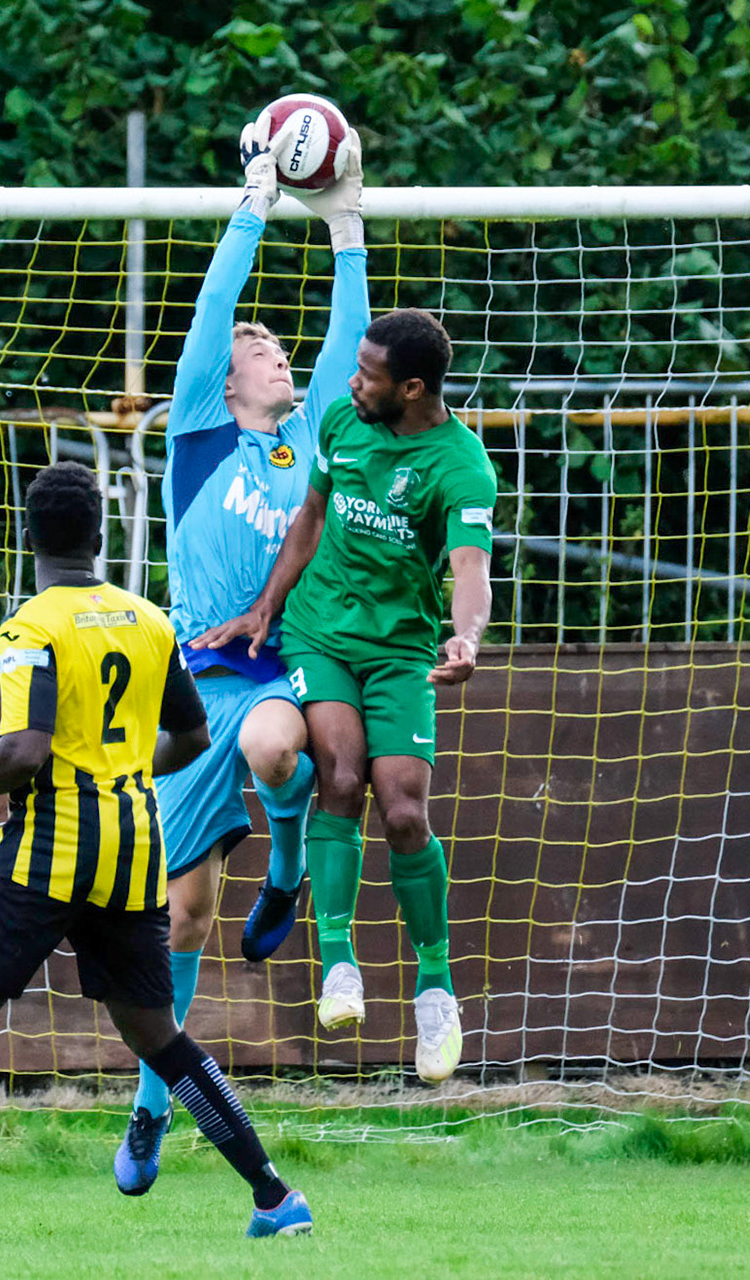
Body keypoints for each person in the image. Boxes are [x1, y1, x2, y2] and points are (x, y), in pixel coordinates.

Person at [0, 462, 313, 1246]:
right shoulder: (149, 621)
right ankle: (275, 1197)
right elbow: (193, 736)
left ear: (28, 536)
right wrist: (119, 768)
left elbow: (26, 750)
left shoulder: (30, 628)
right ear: (98, 536)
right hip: (134, 846)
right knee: (158, 1034)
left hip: (53, 846)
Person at [115, 109, 370, 1194]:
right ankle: (149, 1107)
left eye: (276, 346)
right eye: (259, 349)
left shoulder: (309, 438)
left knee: (280, 748)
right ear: (225, 379)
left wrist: (346, 226)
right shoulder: (199, 439)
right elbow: (213, 314)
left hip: (275, 676)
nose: (274, 352)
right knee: (181, 915)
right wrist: (254, 209)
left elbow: (349, 341)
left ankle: (288, 867)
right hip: (192, 693)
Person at [195, 308, 496, 1084]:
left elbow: (470, 568)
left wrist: (466, 638)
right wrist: (266, 605)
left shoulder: (461, 465)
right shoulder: (341, 423)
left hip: (400, 650)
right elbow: (312, 516)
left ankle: (437, 989)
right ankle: (338, 964)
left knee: (403, 810)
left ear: (413, 388)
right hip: (320, 633)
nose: (352, 382)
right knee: (339, 776)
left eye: (368, 374)